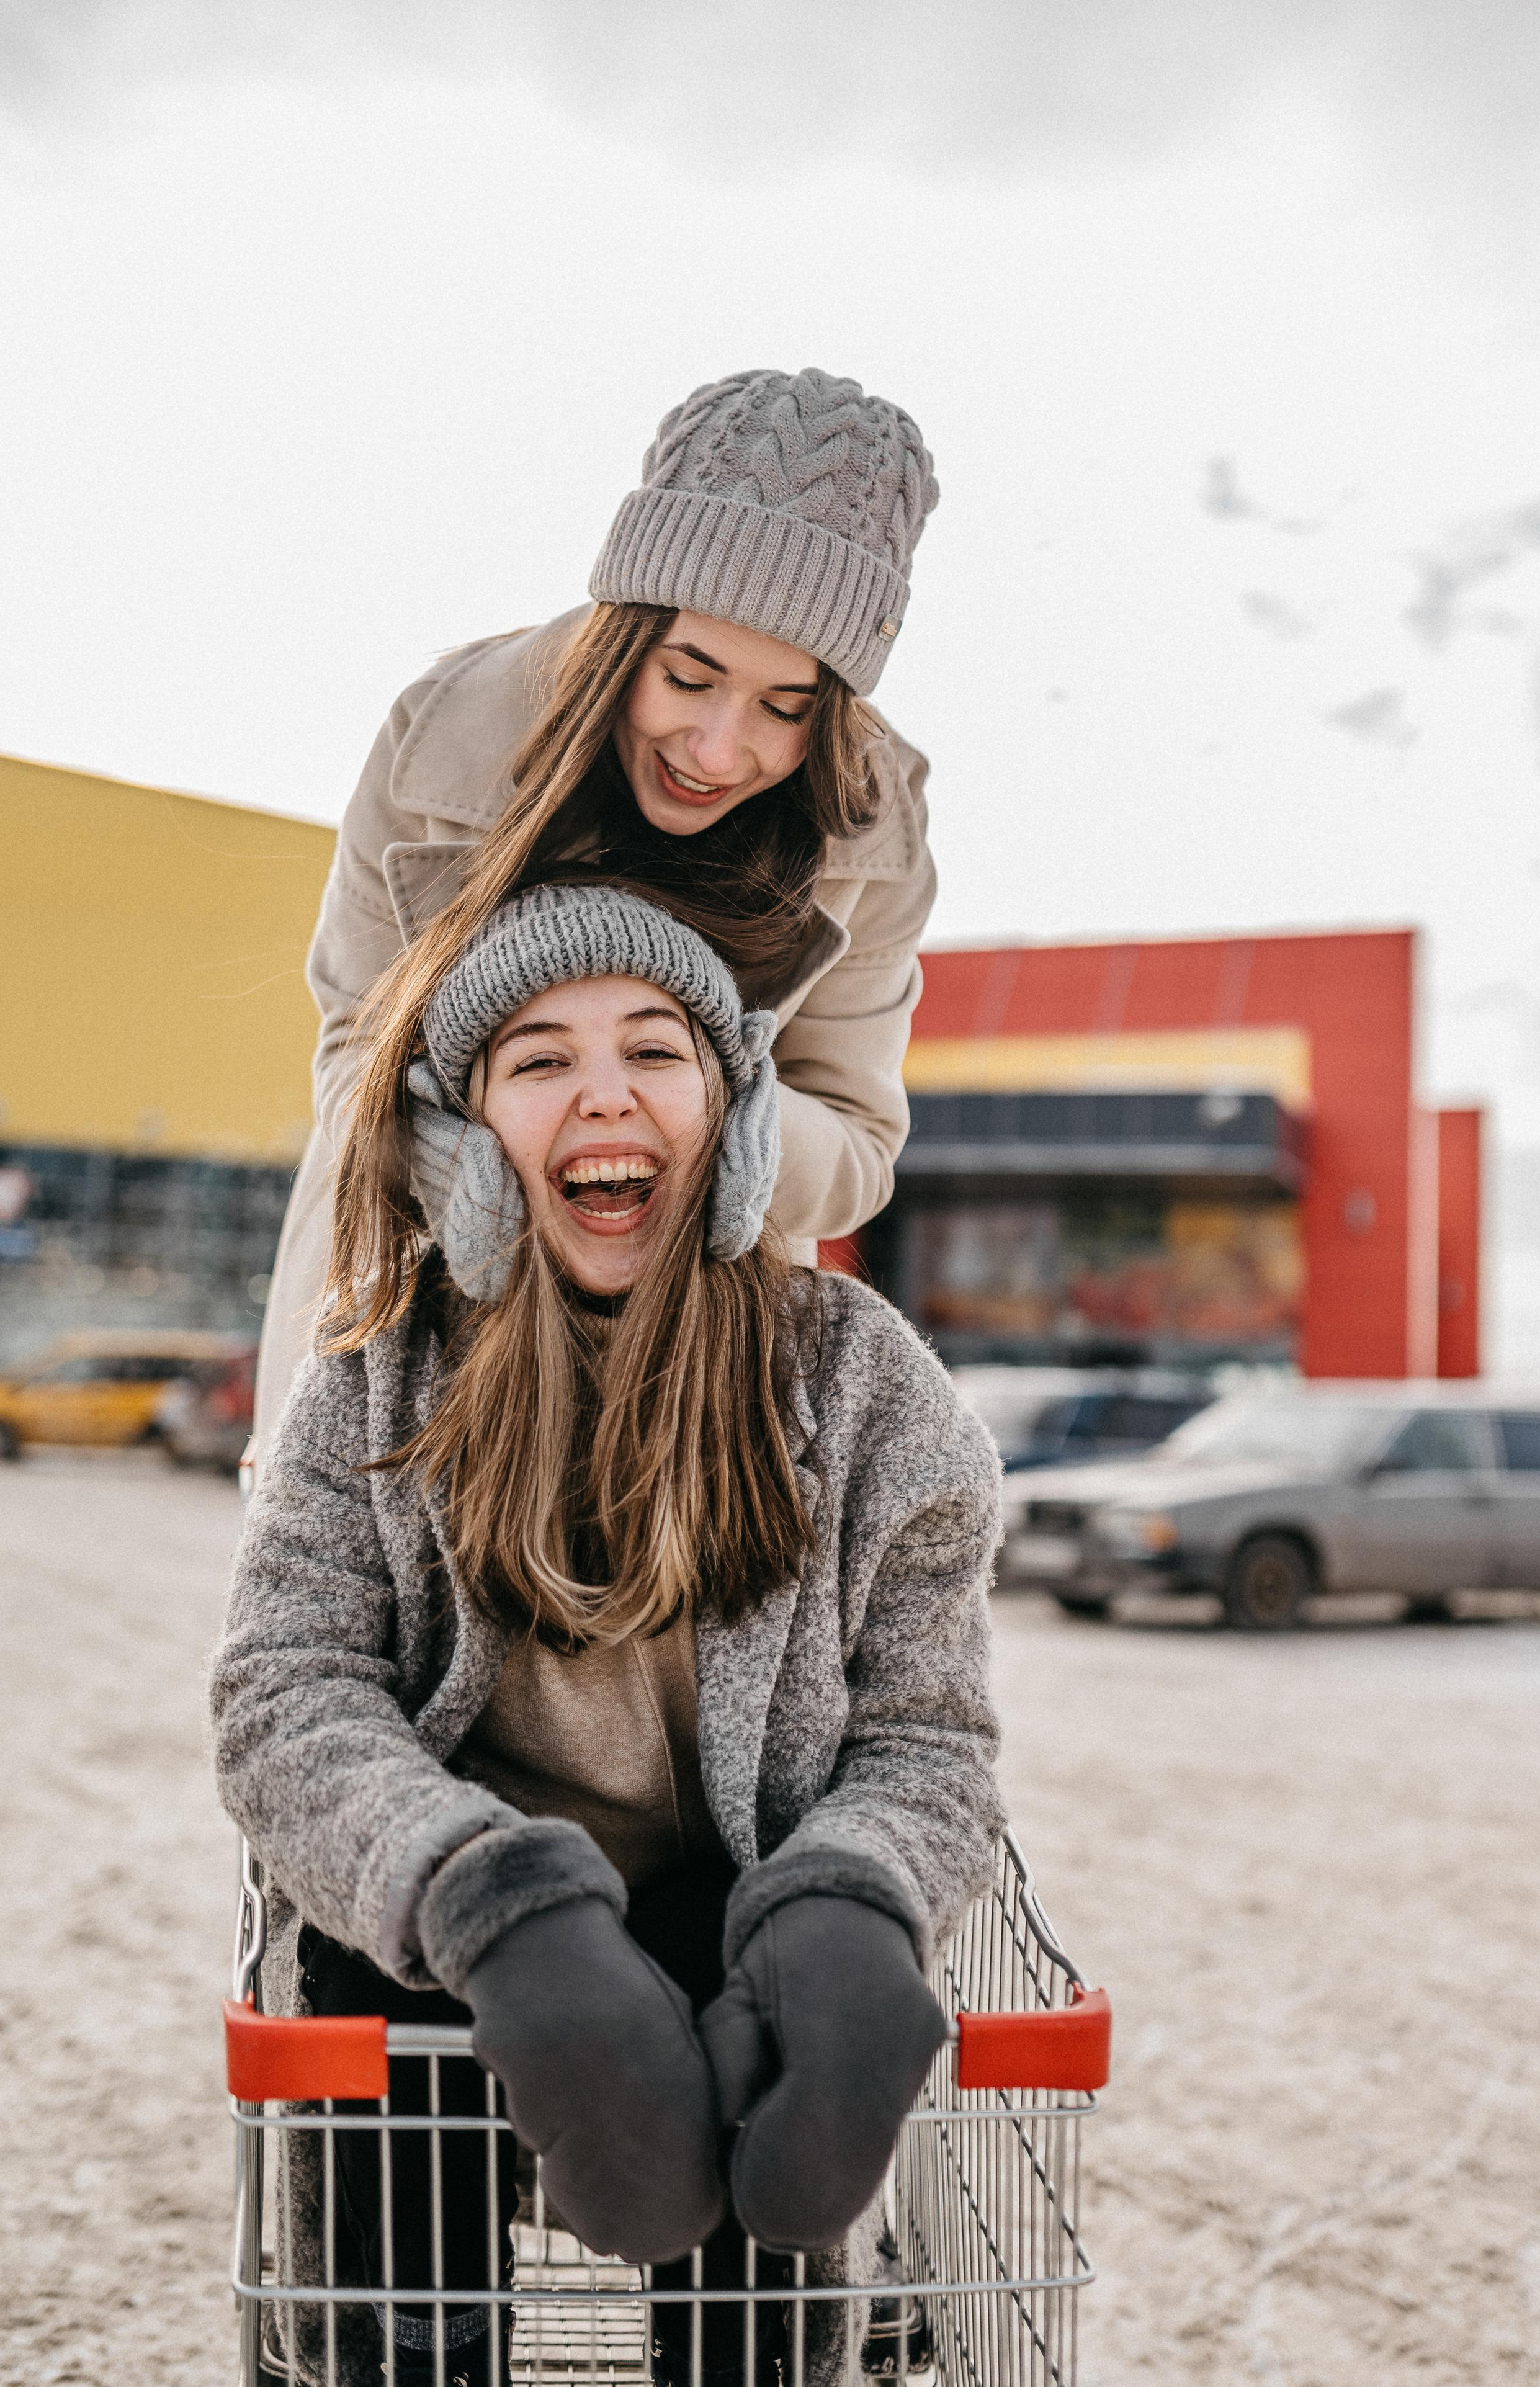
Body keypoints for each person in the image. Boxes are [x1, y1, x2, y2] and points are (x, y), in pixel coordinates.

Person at [212, 883, 1003, 2387]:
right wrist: (492, 1900)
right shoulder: (377, 1379)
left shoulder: (862, 1385)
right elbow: (285, 1694)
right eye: (538, 1060)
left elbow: (927, 1733)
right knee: (378, 2015)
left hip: (731, 1917)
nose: (602, 1095)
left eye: (653, 1049)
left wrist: (854, 1900)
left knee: (754, 2146)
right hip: (455, 1944)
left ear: (729, 1115)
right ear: (469, 1139)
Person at [254, 365, 941, 1448]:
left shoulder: (872, 836)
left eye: (785, 707)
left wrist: (725, 1129)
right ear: (628, 629)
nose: (719, 749)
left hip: (694, 1388)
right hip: (415, 1344)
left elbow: (855, 1153)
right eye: (688, 677)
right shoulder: (441, 741)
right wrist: (461, 1172)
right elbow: (354, 1043)